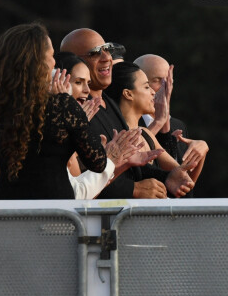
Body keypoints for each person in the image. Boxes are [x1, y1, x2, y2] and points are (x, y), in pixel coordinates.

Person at [0, 22, 108, 199]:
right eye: (52, 56)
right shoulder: (61, 105)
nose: (54, 62)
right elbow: (98, 162)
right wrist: (67, 105)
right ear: (38, 62)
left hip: (8, 207)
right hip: (55, 212)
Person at [60, 28, 194, 198]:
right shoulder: (71, 112)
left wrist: (167, 178)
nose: (107, 57)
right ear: (73, 62)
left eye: (107, 49)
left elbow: (132, 168)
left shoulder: (109, 102)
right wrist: (133, 189)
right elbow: (78, 181)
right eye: (95, 53)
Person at [54, 52, 162, 199]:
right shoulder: (49, 133)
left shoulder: (106, 110)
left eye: (88, 83)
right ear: (57, 82)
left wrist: (118, 163)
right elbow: (78, 193)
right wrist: (111, 160)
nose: (87, 90)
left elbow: (89, 188)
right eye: (79, 82)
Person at [107, 62, 206, 185]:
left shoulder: (147, 134)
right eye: (147, 87)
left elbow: (184, 181)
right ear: (128, 94)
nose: (154, 92)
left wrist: (201, 149)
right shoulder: (113, 136)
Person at [134, 54, 209, 171]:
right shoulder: (129, 121)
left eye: (168, 81)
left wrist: (202, 150)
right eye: (157, 81)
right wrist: (159, 122)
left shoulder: (178, 126)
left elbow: (183, 181)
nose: (166, 88)